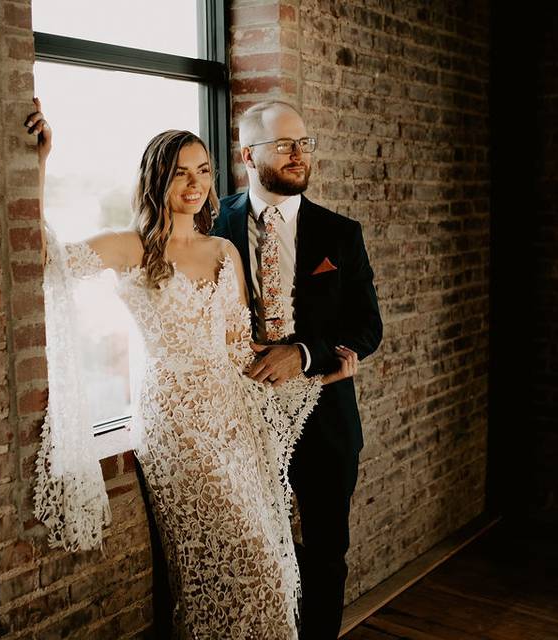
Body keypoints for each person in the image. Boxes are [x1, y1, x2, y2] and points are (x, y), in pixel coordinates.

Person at [24, 99, 360, 639]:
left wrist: (315, 371)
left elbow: (240, 350)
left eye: (203, 171)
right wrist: (40, 165)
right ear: (157, 179)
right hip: (176, 423)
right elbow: (49, 261)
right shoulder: (131, 247)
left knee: (272, 569)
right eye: (181, 172)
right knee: (236, 561)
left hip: (232, 418)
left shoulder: (224, 250)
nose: (195, 183)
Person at [211, 100, 383, 639]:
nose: (298, 154)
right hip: (239, 426)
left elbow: (367, 327)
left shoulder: (340, 234)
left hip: (325, 423)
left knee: (327, 553)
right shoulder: (211, 227)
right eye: (284, 145)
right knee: (254, 553)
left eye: (304, 143)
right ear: (247, 154)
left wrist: (304, 354)